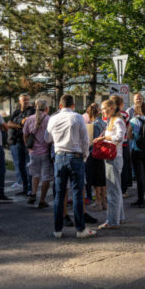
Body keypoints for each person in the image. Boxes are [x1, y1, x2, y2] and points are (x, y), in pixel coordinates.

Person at [45, 94, 96, 238]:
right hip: (76, 156)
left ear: (60, 106)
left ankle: (57, 230)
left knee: (59, 194)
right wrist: (85, 155)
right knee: (77, 193)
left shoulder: (53, 118)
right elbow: (85, 139)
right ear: (73, 105)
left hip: (60, 156)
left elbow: (47, 138)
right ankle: (80, 229)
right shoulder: (78, 117)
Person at [94, 99, 126, 229]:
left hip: (114, 158)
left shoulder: (117, 121)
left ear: (111, 108)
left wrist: (104, 138)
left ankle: (113, 221)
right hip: (112, 157)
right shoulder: (111, 121)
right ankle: (119, 217)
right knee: (115, 189)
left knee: (113, 190)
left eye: (104, 108)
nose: (102, 111)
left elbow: (120, 137)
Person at [25, 99, 52, 209]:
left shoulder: (30, 119)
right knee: (46, 177)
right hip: (45, 152)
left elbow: (25, 134)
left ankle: (33, 193)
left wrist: (28, 148)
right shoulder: (49, 119)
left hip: (33, 152)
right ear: (46, 108)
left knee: (35, 174)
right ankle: (42, 200)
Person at [6, 93, 35, 195]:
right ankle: (25, 188)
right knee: (20, 165)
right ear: (19, 101)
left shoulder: (31, 111)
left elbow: (26, 122)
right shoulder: (17, 111)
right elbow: (9, 124)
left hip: (27, 142)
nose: (26, 101)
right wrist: (19, 124)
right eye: (24, 100)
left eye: (27, 99)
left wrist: (17, 123)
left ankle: (31, 189)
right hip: (18, 142)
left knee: (29, 166)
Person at [130, 99, 145, 207]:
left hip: (137, 149)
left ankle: (140, 200)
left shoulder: (133, 120)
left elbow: (129, 136)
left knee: (139, 175)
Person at [85, 104, 107, 212]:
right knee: (102, 178)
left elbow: (92, 142)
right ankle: (104, 201)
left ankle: (97, 201)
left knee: (95, 179)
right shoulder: (104, 122)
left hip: (94, 154)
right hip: (104, 153)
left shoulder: (93, 125)